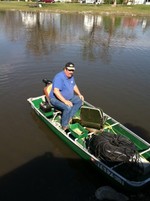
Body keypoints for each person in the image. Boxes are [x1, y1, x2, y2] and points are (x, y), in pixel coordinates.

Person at [49, 62, 84, 131]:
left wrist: (79, 94)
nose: (71, 72)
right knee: (68, 108)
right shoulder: (59, 77)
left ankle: (69, 117)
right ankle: (64, 125)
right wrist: (65, 101)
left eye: (72, 70)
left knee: (79, 101)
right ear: (65, 69)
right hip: (55, 99)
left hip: (69, 98)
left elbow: (74, 85)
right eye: (69, 70)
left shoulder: (71, 76)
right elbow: (56, 91)